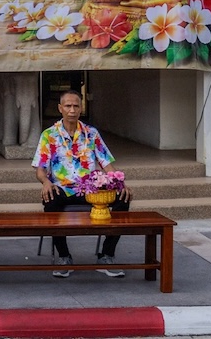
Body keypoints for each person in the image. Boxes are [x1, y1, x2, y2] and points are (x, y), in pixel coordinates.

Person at [33, 89, 132, 278]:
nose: (72, 110)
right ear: (60, 108)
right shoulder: (49, 135)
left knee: (122, 197)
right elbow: (40, 170)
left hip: (90, 190)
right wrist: (45, 181)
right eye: (68, 106)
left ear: (81, 108)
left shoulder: (91, 133)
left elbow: (106, 163)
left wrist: (120, 182)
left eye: (76, 106)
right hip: (62, 189)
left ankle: (107, 255)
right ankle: (64, 257)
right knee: (51, 199)